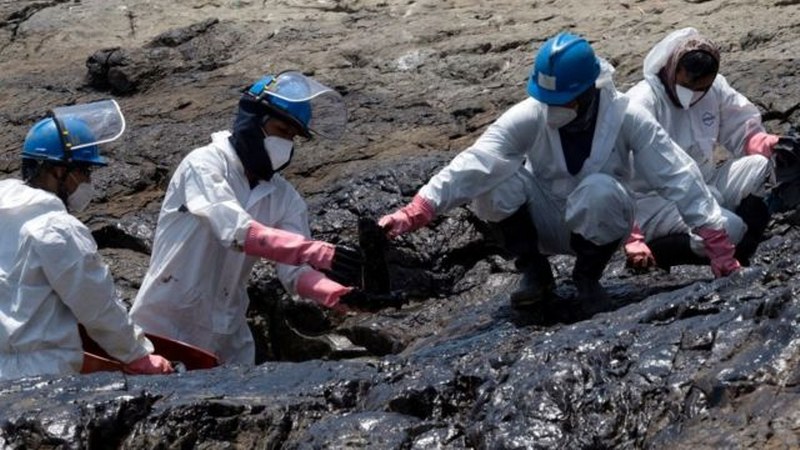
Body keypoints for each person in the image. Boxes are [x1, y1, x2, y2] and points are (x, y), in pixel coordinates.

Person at [378, 32, 742, 312]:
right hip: (544, 220)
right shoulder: (530, 113)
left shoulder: (627, 116)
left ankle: (587, 277)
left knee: (601, 189)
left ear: (588, 91)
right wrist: (417, 210)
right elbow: (475, 162)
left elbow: (676, 173)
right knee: (493, 180)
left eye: (563, 100)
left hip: (599, 224)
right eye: (548, 100)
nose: (553, 107)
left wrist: (716, 241)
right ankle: (534, 272)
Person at [131, 71, 365, 365]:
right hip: (165, 325)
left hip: (227, 335)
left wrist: (339, 295)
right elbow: (236, 231)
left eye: (292, 137)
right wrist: (315, 250)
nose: (286, 144)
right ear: (254, 121)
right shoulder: (204, 164)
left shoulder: (284, 197)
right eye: (281, 130)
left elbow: (294, 273)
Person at [0, 100, 174, 381]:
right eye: (84, 171)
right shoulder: (56, 228)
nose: (87, 182)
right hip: (41, 374)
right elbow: (96, 304)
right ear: (58, 171)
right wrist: (137, 355)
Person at [624, 27, 788, 271]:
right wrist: (632, 236)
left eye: (701, 89)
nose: (692, 96)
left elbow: (741, 126)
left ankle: (741, 249)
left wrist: (768, 144)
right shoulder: (641, 104)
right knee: (729, 230)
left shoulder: (715, 89)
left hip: (704, 184)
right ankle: (663, 251)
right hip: (655, 203)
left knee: (766, 166)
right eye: (687, 85)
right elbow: (615, 169)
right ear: (672, 68)